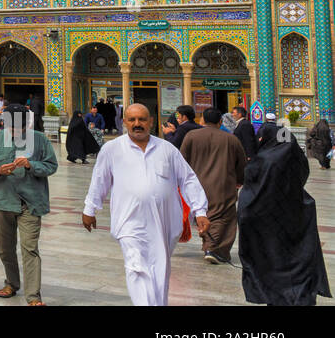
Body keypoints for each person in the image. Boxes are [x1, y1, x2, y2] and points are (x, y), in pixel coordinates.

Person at [82, 103, 209, 306]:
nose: (137, 124)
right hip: (130, 221)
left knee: (160, 269)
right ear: (124, 122)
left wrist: (200, 211)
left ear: (151, 122)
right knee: (136, 267)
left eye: (142, 119)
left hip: (164, 222)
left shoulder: (167, 149)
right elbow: (100, 180)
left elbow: (188, 180)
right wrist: (90, 208)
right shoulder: (112, 149)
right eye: (132, 120)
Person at [238, 121, 331, 306]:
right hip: (296, 215)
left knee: (272, 264)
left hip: (266, 223)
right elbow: (301, 175)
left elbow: (248, 201)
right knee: (298, 262)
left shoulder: (262, 161)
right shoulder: (294, 158)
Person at [0, 105, 56, 305]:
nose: (17, 130)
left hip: (29, 204)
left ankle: (33, 296)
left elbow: (52, 165)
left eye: (21, 126)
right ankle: (12, 283)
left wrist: (31, 165)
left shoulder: (40, 140)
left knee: (30, 248)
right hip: (3, 201)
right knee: (6, 249)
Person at [179, 108, 247, 265]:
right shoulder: (231, 139)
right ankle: (214, 249)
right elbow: (241, 164)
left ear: (202, 120)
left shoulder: (191, 136)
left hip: (196, 185)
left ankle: (209, 245)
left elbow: (181, 161)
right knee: (222, 217)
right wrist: (239, 180)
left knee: (203, 215)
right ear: (220, 122)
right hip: (222, 185)